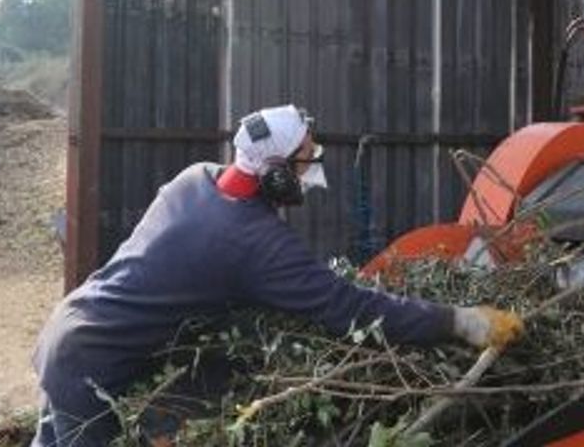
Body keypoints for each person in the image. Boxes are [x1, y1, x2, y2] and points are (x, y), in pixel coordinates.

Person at [31, 104, 523, 446]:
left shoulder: (195, 178)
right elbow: (350, 309)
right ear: (277, 174)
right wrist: (458, 321)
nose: (312, 171)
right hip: (90, 366)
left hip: (72, 328)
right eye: (306, 160)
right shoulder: (253, 242)